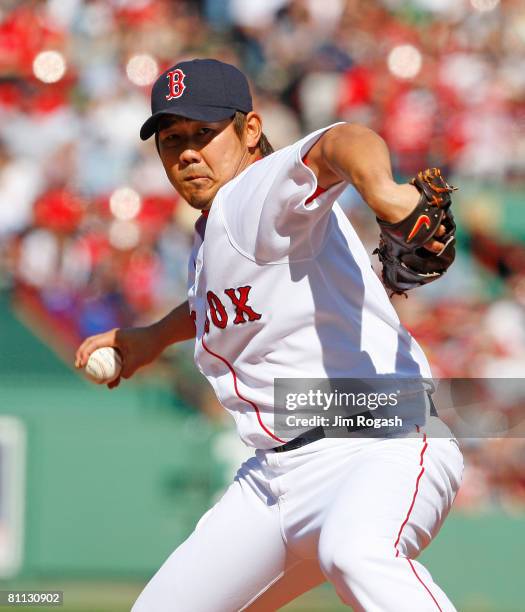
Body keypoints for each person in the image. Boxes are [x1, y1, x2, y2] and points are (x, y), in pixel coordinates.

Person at [75, 59, 463, 611]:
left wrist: (386, 193)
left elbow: (340, 142)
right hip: (275, 478)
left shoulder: (253, 191)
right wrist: (151, 338)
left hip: (381, 443)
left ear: (250, 131)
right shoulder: (218, 233)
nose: (187, 152)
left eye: (204, 134)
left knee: (356, 553)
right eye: (172, 139)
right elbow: (213, 307)